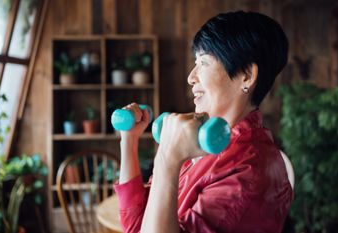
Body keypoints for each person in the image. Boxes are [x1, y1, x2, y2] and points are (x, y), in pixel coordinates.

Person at [114, 11, 294, 233]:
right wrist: (129, 141)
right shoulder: (200, 142)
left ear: (246, 75)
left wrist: (168, 160)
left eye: (204, 63)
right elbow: (136, 226)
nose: (191, 77)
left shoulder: (248, 171)